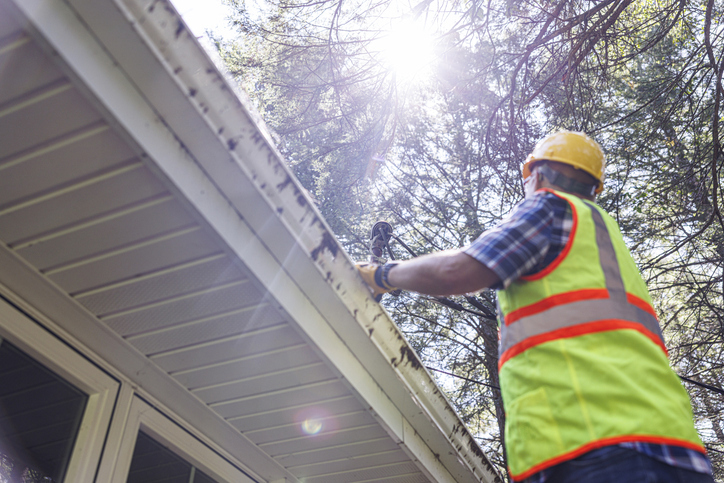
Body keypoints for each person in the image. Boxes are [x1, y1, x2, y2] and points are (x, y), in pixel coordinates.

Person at [357, 131, 714, 483]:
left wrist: (380, 275)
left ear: (537, 175)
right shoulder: (604, 238)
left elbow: (458, 271)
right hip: (676, 451)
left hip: (596, 451)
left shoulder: (551, 207)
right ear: (593, 187)